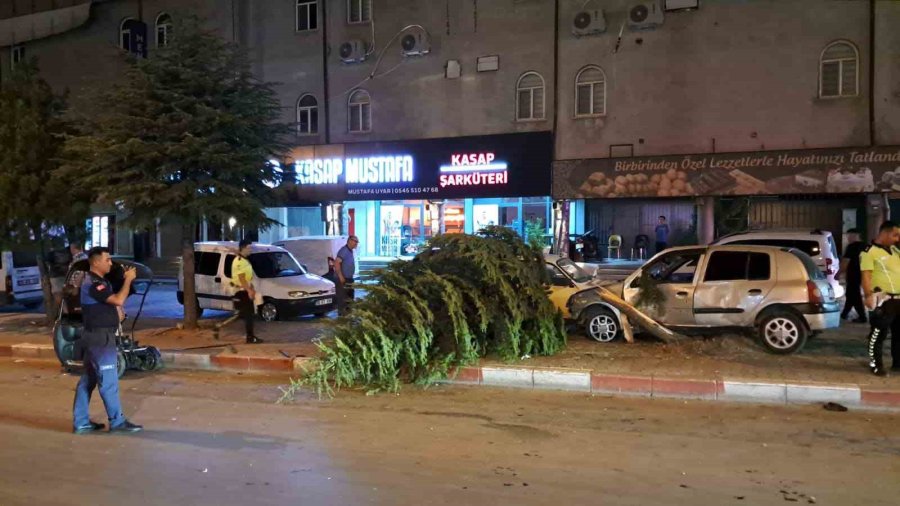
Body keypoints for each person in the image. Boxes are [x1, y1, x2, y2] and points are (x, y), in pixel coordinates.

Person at [72, 247, 142, 434]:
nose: (110, 263)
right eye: (107, 259)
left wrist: (115, 313)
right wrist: (128, 280)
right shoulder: (94, 283)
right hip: (100, 339)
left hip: (97, 336)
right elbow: (118, 300)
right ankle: (117, 422)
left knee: (89, 379)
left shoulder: (100, 282)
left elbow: (112, 305)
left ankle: (81, 422)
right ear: (95, 262)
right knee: (108, 380)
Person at [860, 221, 900, 376]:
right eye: (895, 235)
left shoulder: (895, 250)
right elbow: (866, 275)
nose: (897, 238)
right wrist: (868, 295)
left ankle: (897, 364)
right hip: (884, 300)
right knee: (878, 334)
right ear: (884, 233)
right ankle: (876, 365)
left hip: (898, 300)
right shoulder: (869, 252)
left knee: (898, 334)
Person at [231, 239, 262, 344]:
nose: (251, 250)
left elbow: (247, 278)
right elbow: (241, 278)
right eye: (249, 248)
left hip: (245, 289)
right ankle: (250, 337)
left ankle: (250, 336)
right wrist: (249, 290)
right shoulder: (240, 261)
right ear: (243, 248)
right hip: (242, 291)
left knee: (249, 315)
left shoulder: (244, 260)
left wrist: (251, 288)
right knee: (248, 315)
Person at [840, 228, 867, 323]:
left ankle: (862, 316)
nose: (848, 238)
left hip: (853, 274)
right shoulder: (866, 246)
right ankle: (844, 314)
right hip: (863, 274)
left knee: (854, 295)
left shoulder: (851, 247)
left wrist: (839, 273)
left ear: (856, 235)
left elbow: (846, 262)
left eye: (849, 236)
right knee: (850, 294)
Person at [334, 235, 359, 316]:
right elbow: (337, 263)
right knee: (343, 299)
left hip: (349, 278)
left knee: (349, 298)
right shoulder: (343, 251)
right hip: (343, 279)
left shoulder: (350, 251)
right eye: (355, 242)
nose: (356, 244)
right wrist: (341, 277)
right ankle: (342, 317)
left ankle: (348, 315)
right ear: (350, 241)